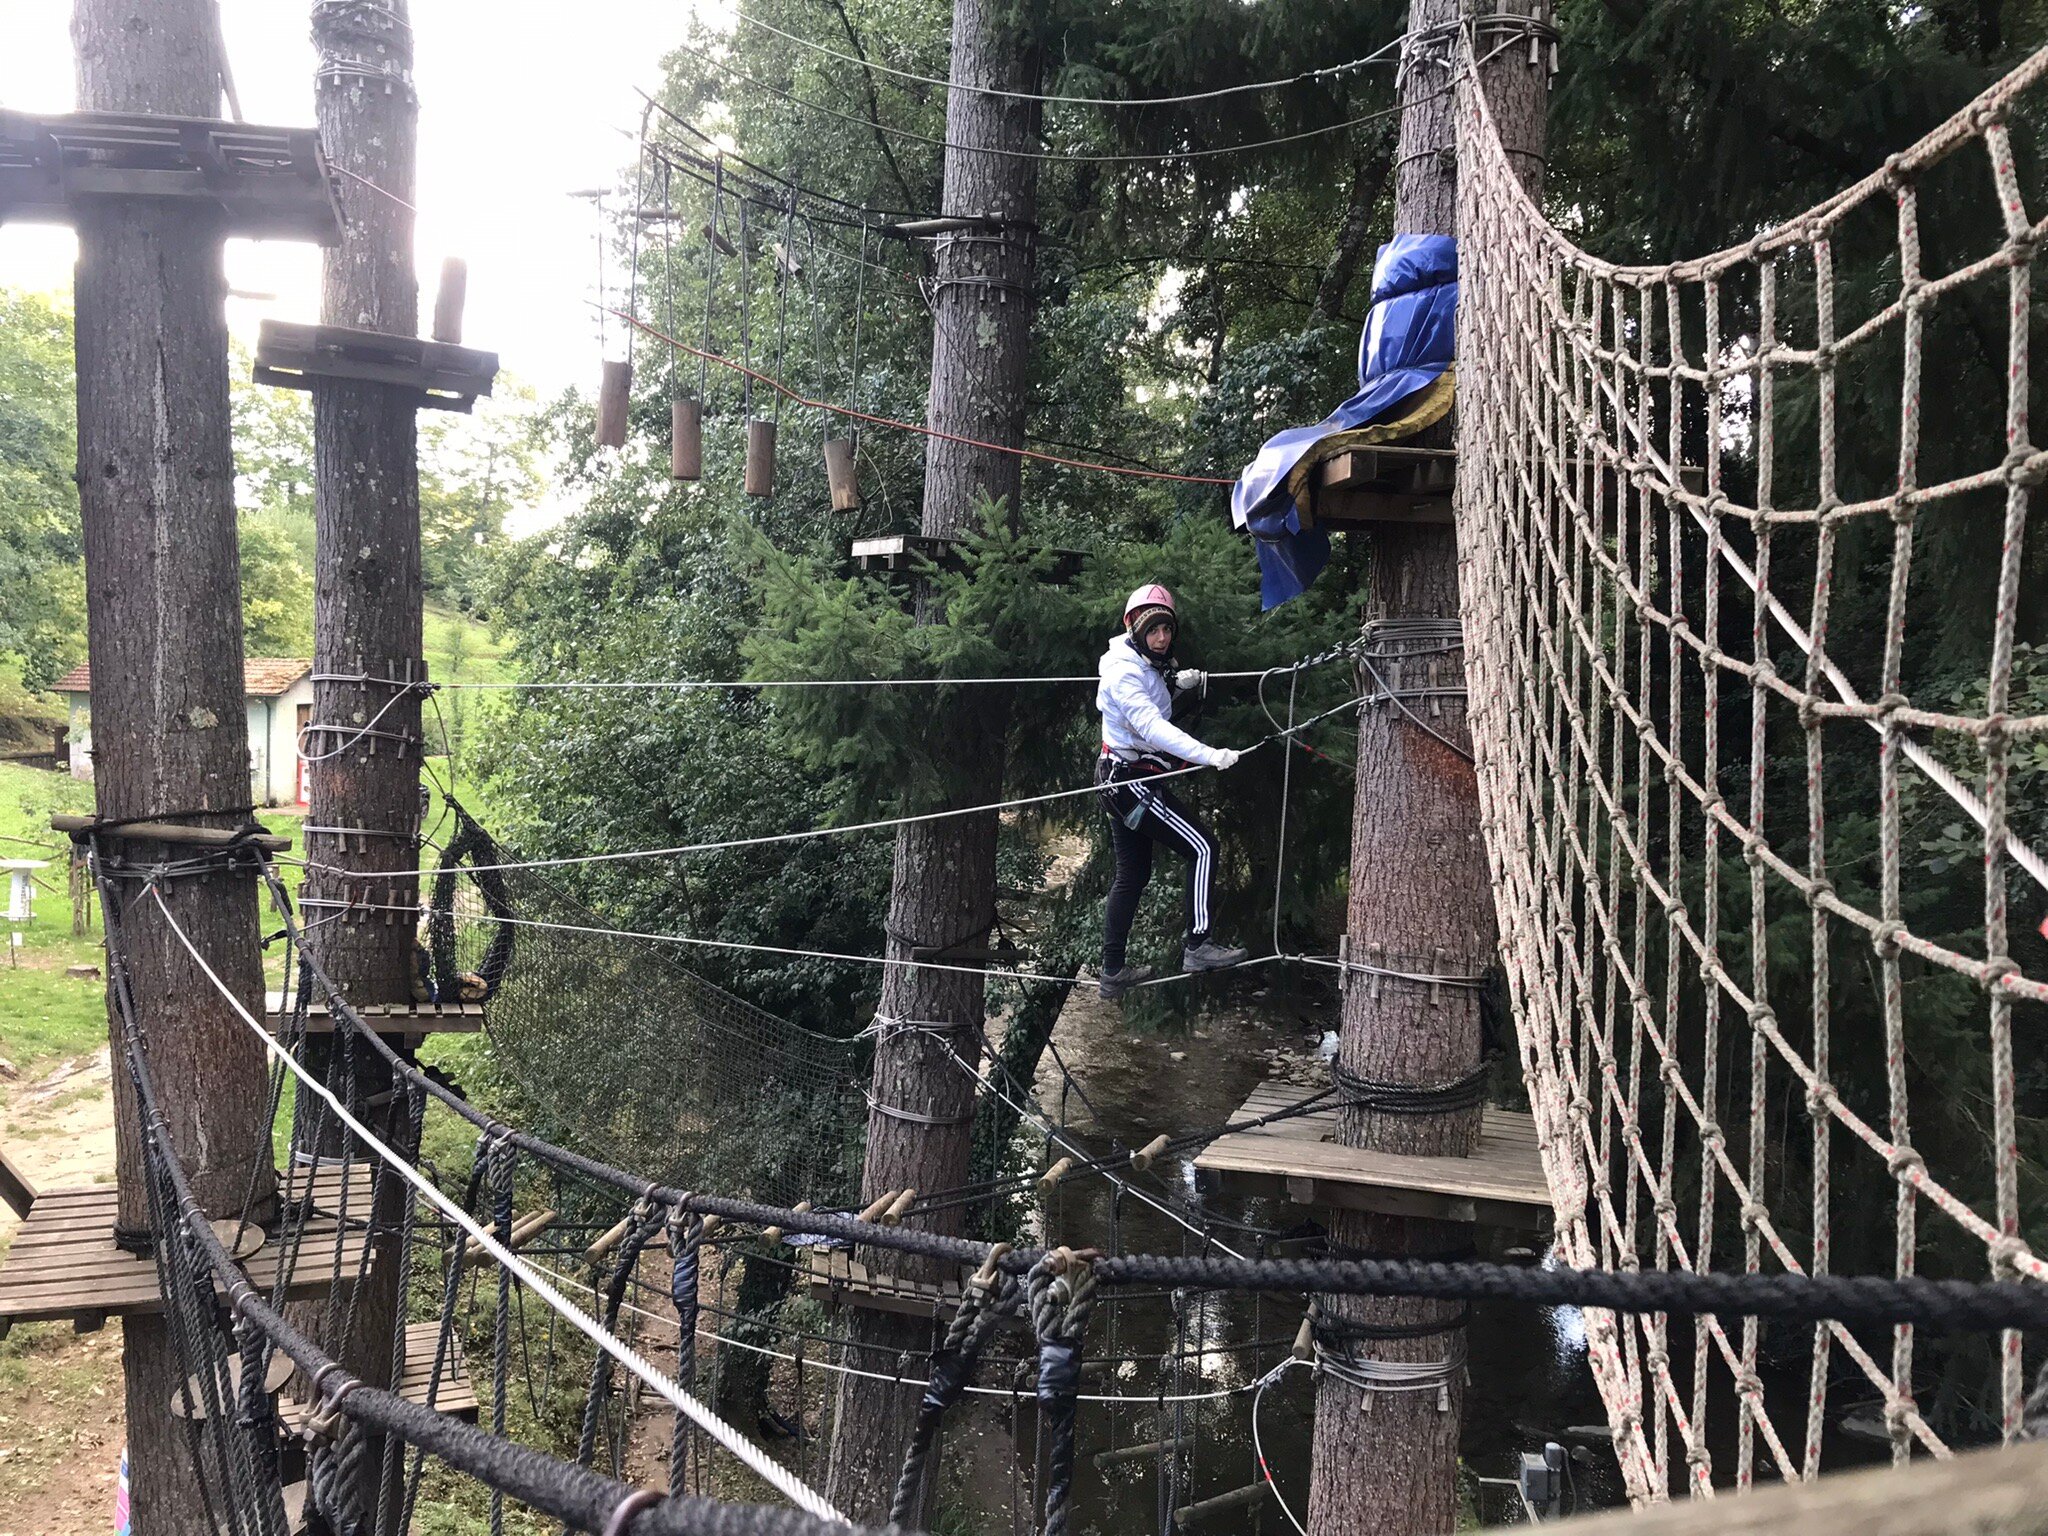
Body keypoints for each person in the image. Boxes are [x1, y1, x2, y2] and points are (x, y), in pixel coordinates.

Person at [1094, 583, 1249, 1000]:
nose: (1162, 638)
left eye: (1167, 629)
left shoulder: (1145, 662)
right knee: (1204, 848)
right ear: (1135, 630)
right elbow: (1152, 727)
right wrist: (1209, 755)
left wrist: (1178, 684)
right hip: (1130, 782)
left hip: (1120, 778)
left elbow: (1154, 698)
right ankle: (1198, 945)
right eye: (1153, 630)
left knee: (1132, 875)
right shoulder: (1124, 672)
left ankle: (1112, 972)